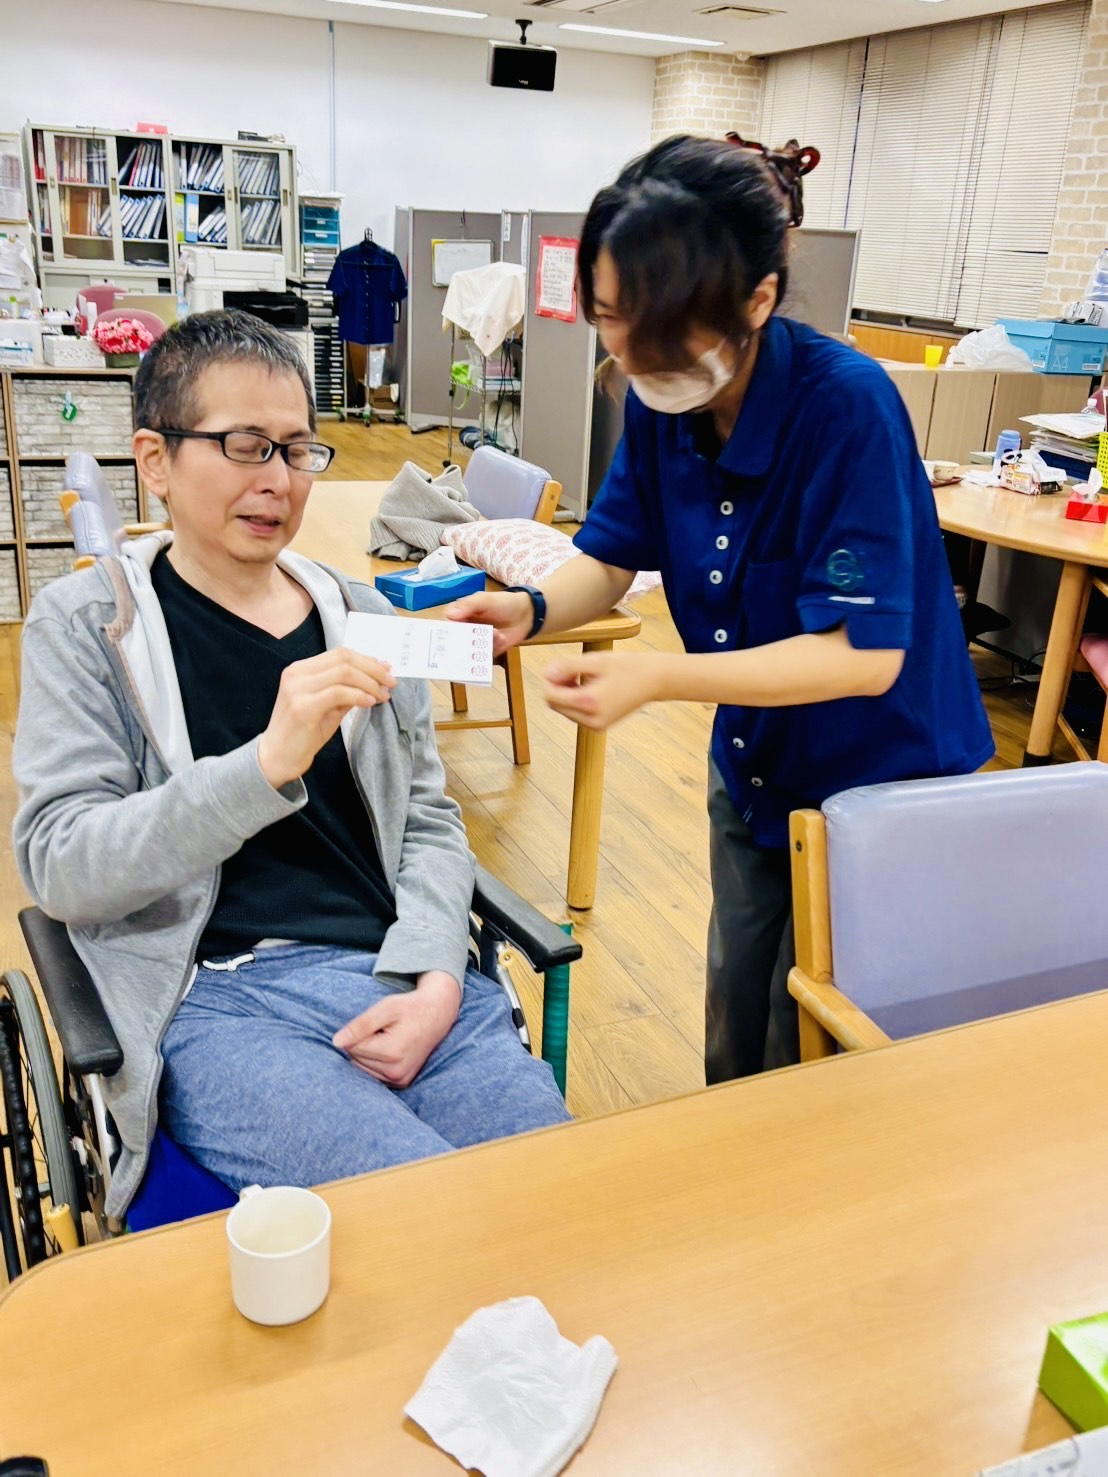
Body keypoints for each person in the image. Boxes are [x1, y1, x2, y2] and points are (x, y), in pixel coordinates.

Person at [450, 137, 994, 1083]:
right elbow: (609, 560)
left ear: (759, 299)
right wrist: (528, 612)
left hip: (882, 782)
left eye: (662, 329)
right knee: (738, 1021)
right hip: (755, 766)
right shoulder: (663, 399)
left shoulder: (846, 408)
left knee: (823, 1050)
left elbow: (860, 656)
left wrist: (657, 676)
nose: (630, 355)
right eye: (612, 320)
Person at [12, 309, 568, 1222]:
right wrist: (265, 763)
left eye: (297, 449)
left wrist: (436, 975)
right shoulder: (87, 629)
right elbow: (62, 863)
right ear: (155, 460)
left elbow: (429, 818)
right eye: (244, 445)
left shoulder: (358, 614)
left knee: (563, 1190)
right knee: (427, 1213)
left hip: (397, 967)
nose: (278, 478)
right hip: (218, 1000)